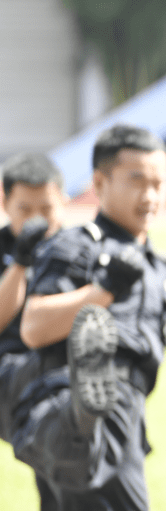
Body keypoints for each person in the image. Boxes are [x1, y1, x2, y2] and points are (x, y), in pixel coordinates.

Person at [11, 125, 166, 511]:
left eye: (159, 181)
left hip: (125, 422)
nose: (151, 194)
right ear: (99, 181)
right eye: (136, 179)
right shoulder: (77, 247)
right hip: (64, 393)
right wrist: (102, 293)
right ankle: (81, 415)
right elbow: (33, 325)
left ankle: (84, 421)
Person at [1, 153, 66, 443]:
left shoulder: (77, 247)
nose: (36, 220)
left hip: (61, 369)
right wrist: (20, 262)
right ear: (5, 205)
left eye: (46, 209)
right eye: (25, 209)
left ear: (62, 202)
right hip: (8, 367)